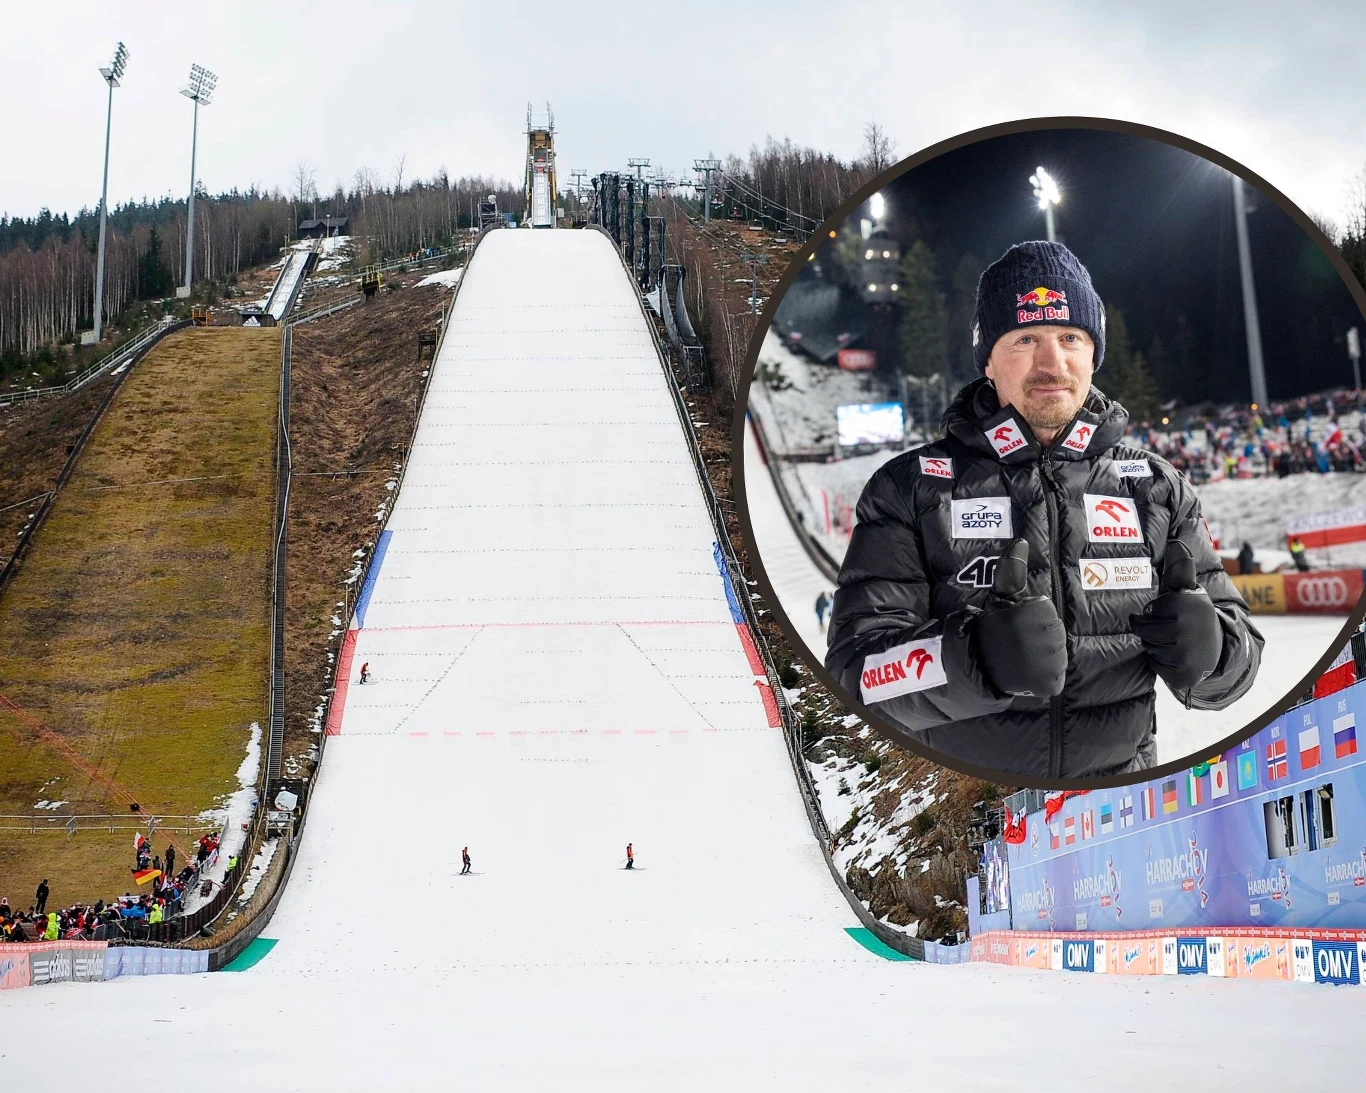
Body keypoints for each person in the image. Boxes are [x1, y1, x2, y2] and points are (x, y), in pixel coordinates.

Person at [825, 241, 1263, 779]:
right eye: (1026, 338)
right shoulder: (910, 489)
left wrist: (1214, 650)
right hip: (969, 801)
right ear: (988, 358)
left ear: (1093, 355)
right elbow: (857, 674)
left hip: (1123, 799)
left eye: (1070, 338)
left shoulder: (1155, 486)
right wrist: (972, 659)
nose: (1052, 363)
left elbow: (1242, 656)